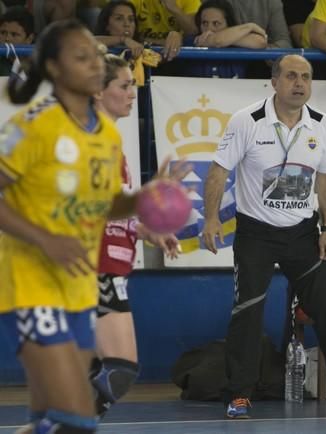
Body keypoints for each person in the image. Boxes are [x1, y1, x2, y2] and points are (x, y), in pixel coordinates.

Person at [0, 19, 188, 434]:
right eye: (123, 84)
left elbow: (101, 204)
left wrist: (146, 209)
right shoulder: (40, 126)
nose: (131, 92)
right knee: (101, 382)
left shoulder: (105, 137)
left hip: (91, 271)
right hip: (55, 269)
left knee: (96, 383)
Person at [201, 54, 326, 419]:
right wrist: (210, 219)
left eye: (306, 77)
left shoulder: (322, 124)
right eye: (291, 76)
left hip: (302, 233)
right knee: (248, 313)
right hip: (256, 233)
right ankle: (239, 394)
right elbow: (219, 172)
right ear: (274, 81)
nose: (299, 83)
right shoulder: (247, 121)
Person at [89, 53, 182, 419]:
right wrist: (151, 195)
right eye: (125, 85)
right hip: (90, 267)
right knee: (118, 370)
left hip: (104, 264)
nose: (133, 93)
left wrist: (146, 230)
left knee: (96, 373)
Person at [128, 0, 201, 61]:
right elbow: (121, 27)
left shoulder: (190, 1)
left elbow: (194, 30)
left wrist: (173, 8)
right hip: (142, 56)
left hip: (178, 58)